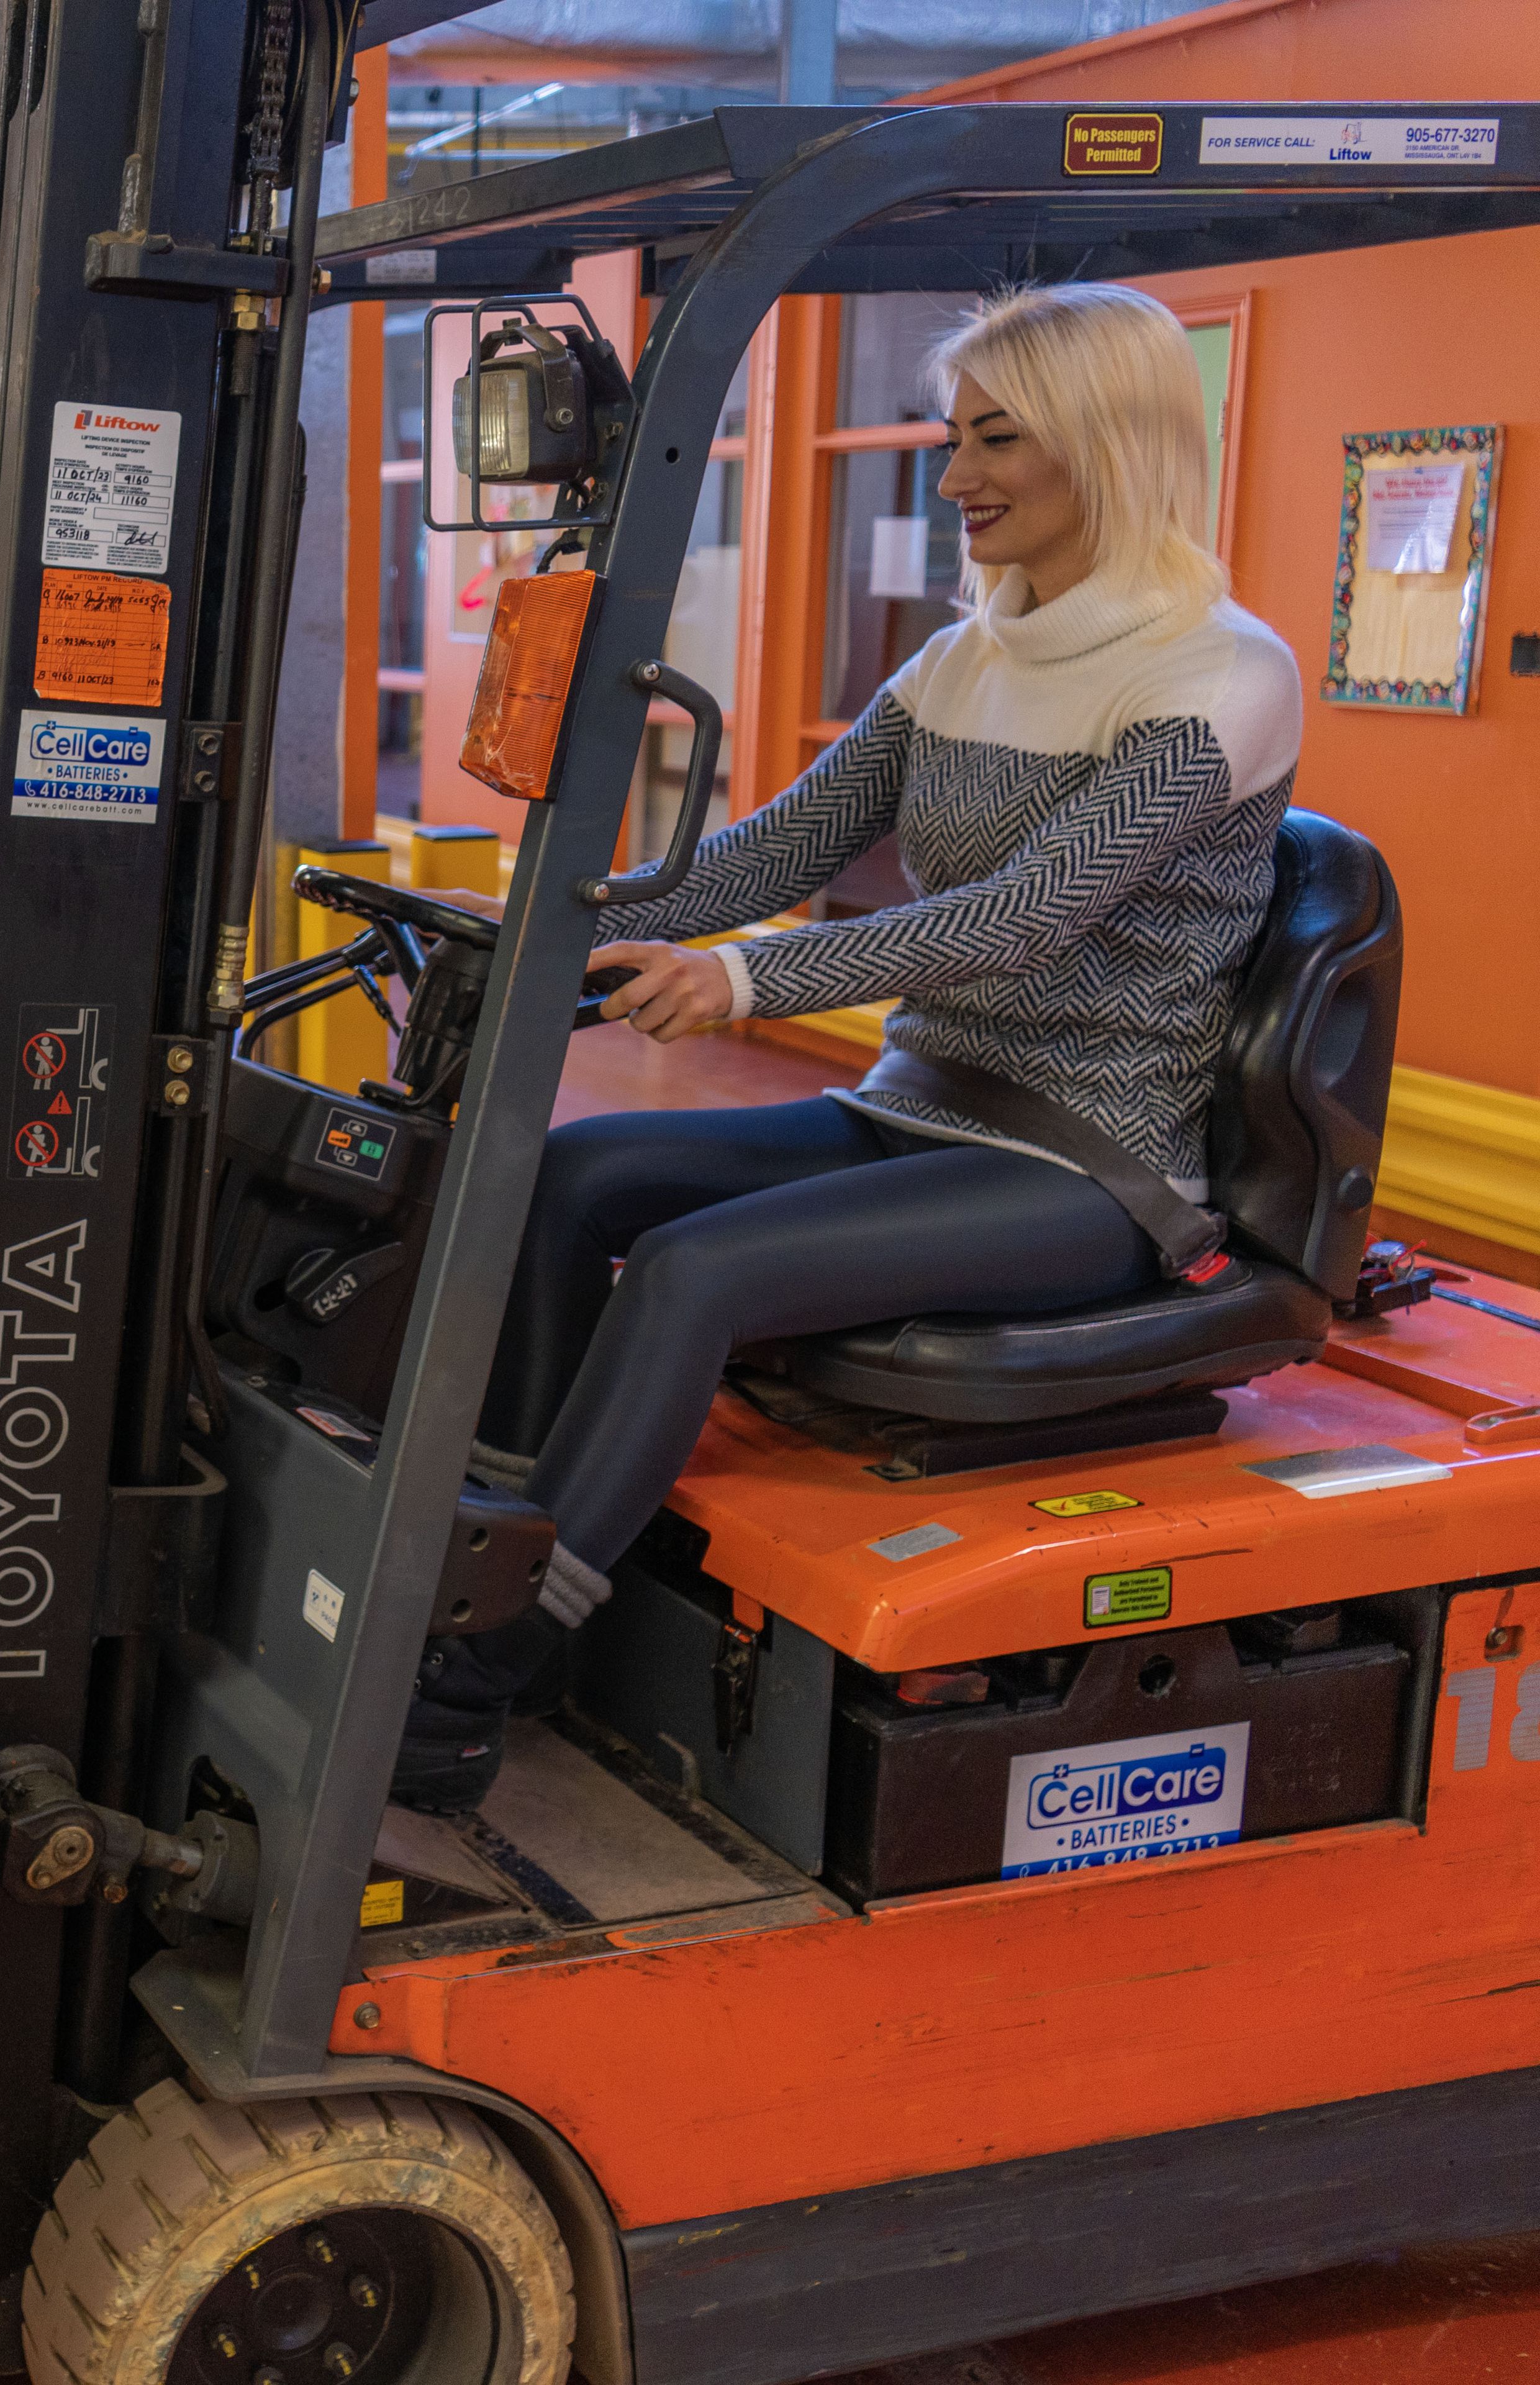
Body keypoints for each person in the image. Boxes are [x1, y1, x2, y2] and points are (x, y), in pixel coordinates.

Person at [395, 283, 1303, 1811]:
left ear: (1106, 444)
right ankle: (488, 1547)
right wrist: (547, 919)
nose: (953, 476)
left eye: (996, 439)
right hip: (922, 1102)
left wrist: (746, 983)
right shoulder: (967, 655)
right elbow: (775, 847)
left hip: (1083, 1159)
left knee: (697, 1268)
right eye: (955, 436)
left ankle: (473, 1680)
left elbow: (1023, 917)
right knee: (572, 1177)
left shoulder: (1216, 675)